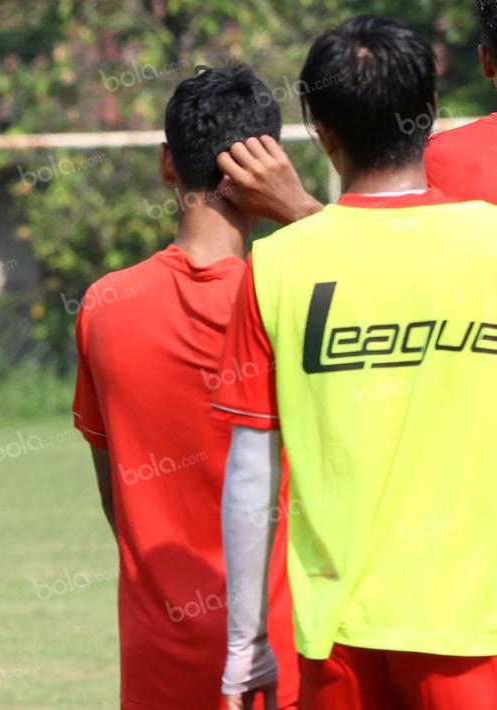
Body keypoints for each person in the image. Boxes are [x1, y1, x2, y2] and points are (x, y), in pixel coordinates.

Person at [214, 16, 497, 709]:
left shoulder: (274, 265)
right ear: (430, 116)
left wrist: (245, 642)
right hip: (475, 632)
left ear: (320, 131)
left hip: (335, 639)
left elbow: (251, 475)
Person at [72, 65, 299, 710]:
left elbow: (117, 496)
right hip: (277, 655)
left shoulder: (104, 305)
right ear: (269, 163)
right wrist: (304, 212)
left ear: (167, 165)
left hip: (157, 662)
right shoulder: (294, 298)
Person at [216, 1, 497, 221]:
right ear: (432, 107)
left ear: (485, 60)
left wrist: (297, 207)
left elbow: (386, 260)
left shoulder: (436, 160)